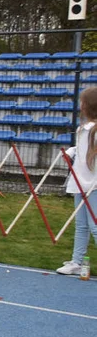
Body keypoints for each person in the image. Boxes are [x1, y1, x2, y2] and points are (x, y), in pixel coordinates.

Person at [57, 87, 97, 276]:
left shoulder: (94, 131)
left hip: (94, 186)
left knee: (95, 227)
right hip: (80, 183)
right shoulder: (83, 129)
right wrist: (72, 152)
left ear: (88, 106)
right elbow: (81, 150)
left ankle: (77, 261)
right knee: (81, 225)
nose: (80, 105)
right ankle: (76, 262)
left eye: (82, 102)